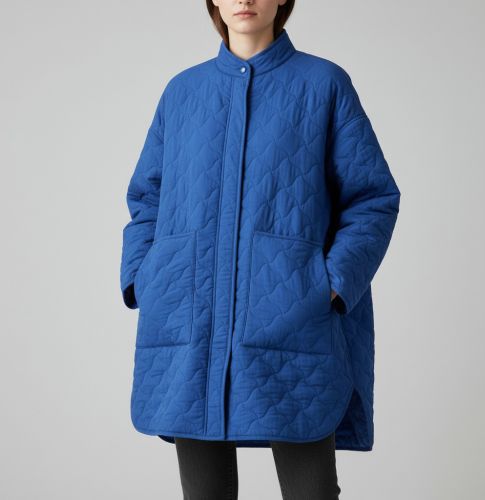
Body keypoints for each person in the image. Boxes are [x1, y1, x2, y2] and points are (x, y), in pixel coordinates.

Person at [119, 1, 401, 498]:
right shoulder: (182, 93)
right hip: (191, 325)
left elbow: (372, 199)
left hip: (294, 325)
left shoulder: (323, 84)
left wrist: (329, 286)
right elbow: (147, 199)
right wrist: (145, 278)